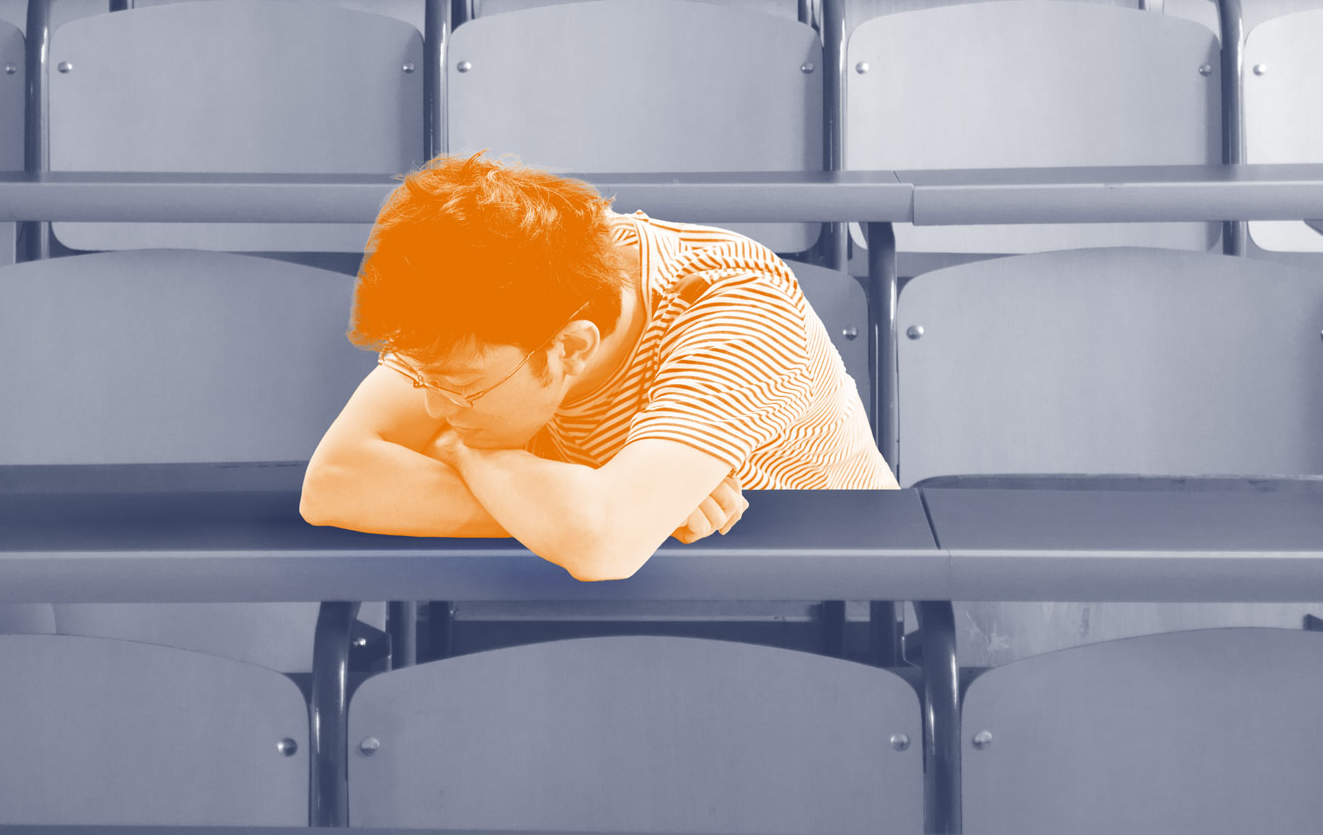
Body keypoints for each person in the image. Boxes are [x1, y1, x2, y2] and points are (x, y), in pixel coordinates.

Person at [301, 152, 896, 580]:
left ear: (572, 348)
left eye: (460, 392)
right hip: (627, 611)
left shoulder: (737, 307)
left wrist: (451, 449)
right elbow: (332, 483)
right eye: (426, 382)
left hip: (828, 602)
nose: (437, 409)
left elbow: (600, 543)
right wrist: (592, 503)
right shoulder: (474, 281)